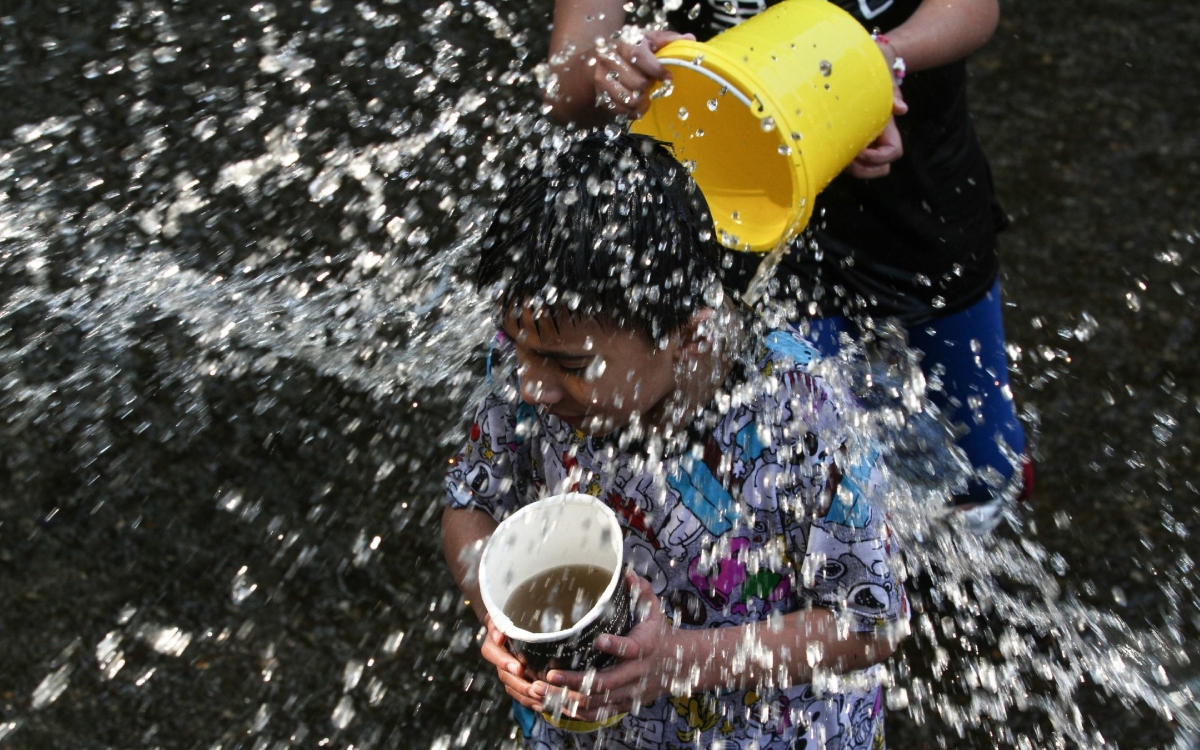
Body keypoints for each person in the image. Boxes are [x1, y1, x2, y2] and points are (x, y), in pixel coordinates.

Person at [442, 132, 908, 749]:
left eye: (569, 368)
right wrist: (495, 610)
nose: (531, 386)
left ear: (688, 337)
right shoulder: (536, 350)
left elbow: (871, 623)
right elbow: (469, 505)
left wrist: (679, 662)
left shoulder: (796, 418)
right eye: (519, 350)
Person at [542, 0, 1032, 531]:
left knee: (987, 467)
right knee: (809, 477)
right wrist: (607, 70)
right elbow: (564, 83)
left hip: (921, 209)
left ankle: (971, 543)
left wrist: (876, 61)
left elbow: (974, 8)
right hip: (750, 219)